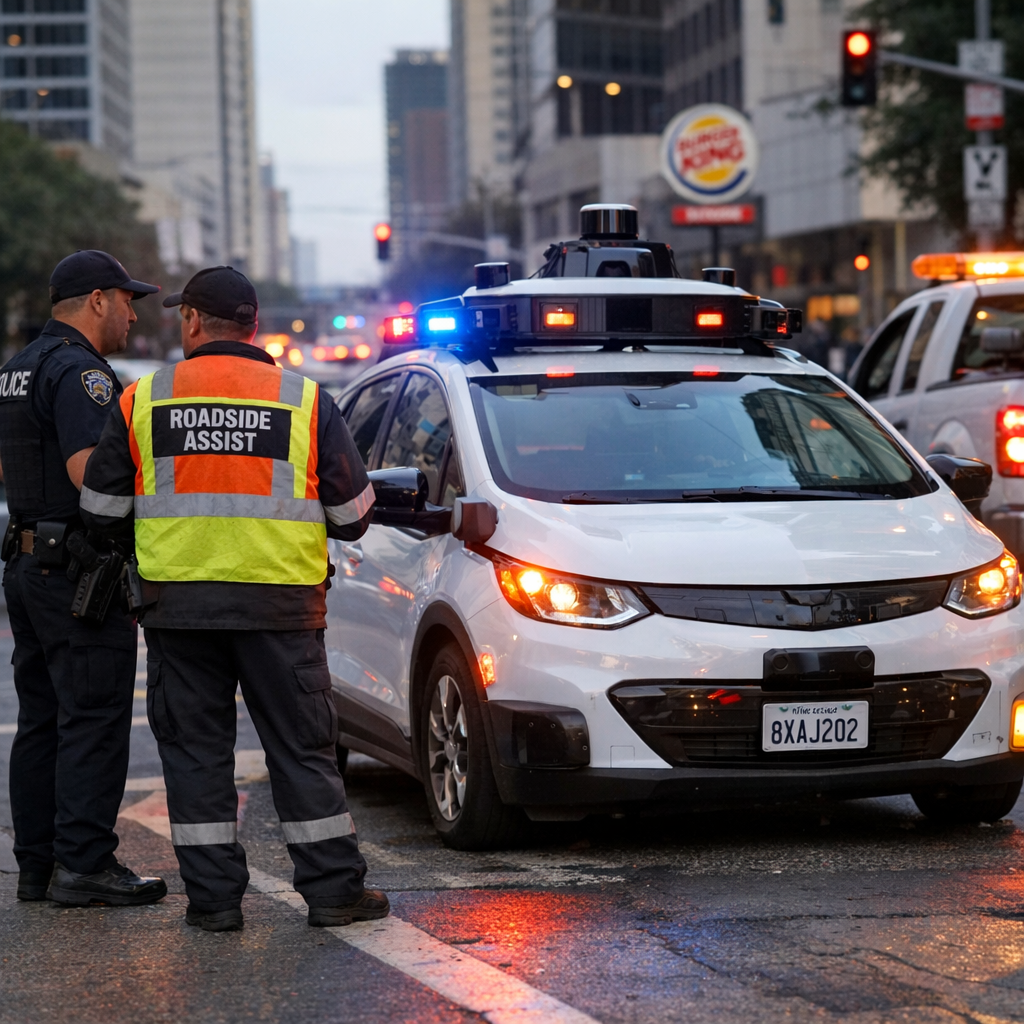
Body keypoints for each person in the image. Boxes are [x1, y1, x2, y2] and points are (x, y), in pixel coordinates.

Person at [80, 266, 388, 932]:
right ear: (254, 325)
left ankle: (215, 903)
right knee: (302, 751)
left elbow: (100, 510)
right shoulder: (304, 400)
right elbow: (354, 513)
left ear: (192, 320)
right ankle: (334, 892)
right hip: (282, 608)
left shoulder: (144, 399)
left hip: (178, 608)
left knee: (195, 755)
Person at [0, 250, 167, 906]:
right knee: (94, 716)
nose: (132, 314)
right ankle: (86, 865)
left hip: (27, 563)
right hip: (76, 576)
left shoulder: (17, 368)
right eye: (128, 300)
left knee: (42, 718)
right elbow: (86, 475)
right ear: (97, 300)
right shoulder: (81, 374)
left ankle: (38, 866)